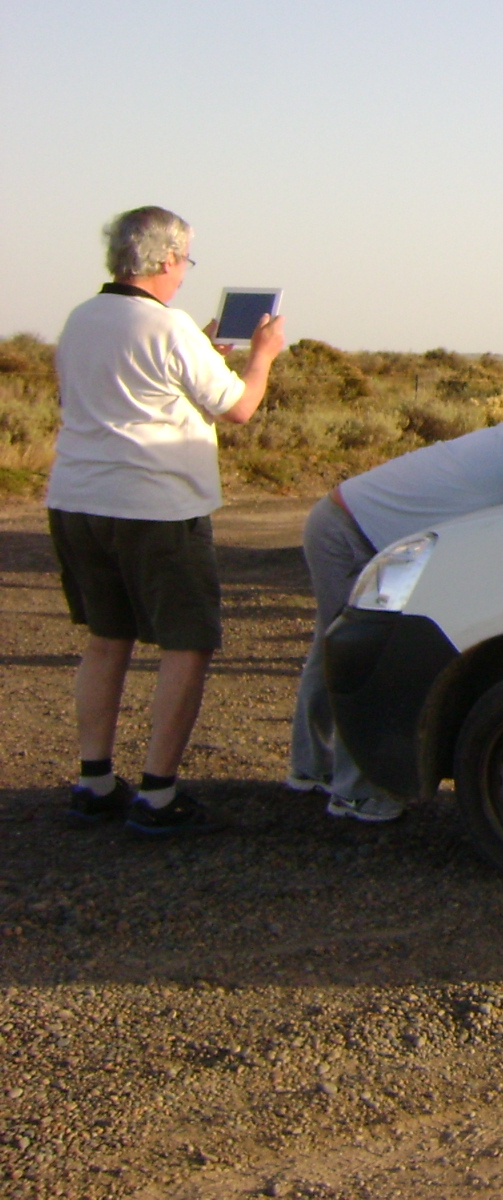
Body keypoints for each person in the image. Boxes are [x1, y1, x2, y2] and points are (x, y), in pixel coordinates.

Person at [45, 206, 286, 837]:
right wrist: (261, 356)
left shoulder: (79, 320)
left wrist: (196, 352)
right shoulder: (169, 327)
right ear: (164, 259)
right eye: (184, 261)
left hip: (77, 497)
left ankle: (94, 782)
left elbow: (88, 395)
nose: (183, 273)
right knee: (186, 642)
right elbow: (238, 407)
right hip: (155, 506)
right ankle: (158, 793)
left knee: (106, 636)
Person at [289, 405, 503, 821]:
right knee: (362, 657)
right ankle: (356, 794)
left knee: (331, 650)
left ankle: (310, 768)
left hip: (341, 518)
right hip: (350, 536)